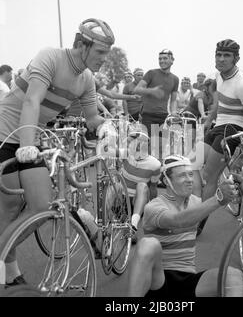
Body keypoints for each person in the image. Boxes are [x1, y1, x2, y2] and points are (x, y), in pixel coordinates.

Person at [0, 18, 115, 287]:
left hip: (31, 135)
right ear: (80, 45)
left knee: (38, 207)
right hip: (6, 133)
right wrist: (27, 144)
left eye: (106, 54)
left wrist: (108, 127)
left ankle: (8, 266)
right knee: (10, 208)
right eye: (100, 52)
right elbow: (32, 100)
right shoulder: (50, 57)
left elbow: (91, 118)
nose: (103, 59)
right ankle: (11, 271)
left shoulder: (87, 79)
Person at [127, 155, 243, 297]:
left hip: (188, 279)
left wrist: (232, 178)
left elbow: (207, 200)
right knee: (148, 244)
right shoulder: (153, 207)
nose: (189, 180)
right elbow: (178, 221)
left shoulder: (196, 202)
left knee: (233, 276)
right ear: (166, 181)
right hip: (159, 280)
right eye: (182, 175)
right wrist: (219, 198)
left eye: (190, 174)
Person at [197, 39, 243, 234]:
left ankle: (198, 222)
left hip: (233, 130)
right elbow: (218, 104)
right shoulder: (219, 76)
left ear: (236, 59)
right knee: (191, 164)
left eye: (226, 56)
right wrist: (208, 122)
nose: (221, 59)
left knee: (209, 175)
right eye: (218, 55)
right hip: (218, 126)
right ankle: (193, 209)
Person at [134, 49, 179, 159]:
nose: (162, 61)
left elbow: (173, 100)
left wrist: (173, 112)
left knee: (160, 148)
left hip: (163, 116)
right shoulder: (151, 73)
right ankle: (143, 172)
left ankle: (156, 173)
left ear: (172, 60)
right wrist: (151, 91)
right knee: (147, 147)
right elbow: (137, 89)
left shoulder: (175, 79)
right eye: (160, 59)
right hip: (148, 115)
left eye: (165, 58)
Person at [121, 126, 161, 243]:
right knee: (112, 181)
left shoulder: (155, 164)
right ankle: (99, 224)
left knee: (142, 186)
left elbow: (153, 189)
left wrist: (154, 210)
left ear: (147, 144)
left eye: (142, 141)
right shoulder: (125, 154)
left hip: (138, 202)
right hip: (121, 199)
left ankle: (133, 224)